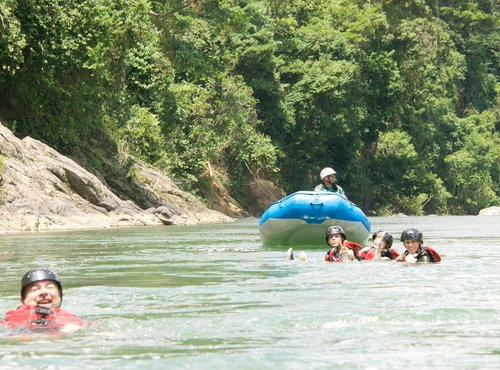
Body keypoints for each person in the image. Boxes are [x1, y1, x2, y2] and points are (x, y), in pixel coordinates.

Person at [1, 268, 87, 332]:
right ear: (22, 300)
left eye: (50, 287)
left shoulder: (74, 319)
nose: (43, 292)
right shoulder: (7, 322)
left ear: (60, 296)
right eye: (34, 289)